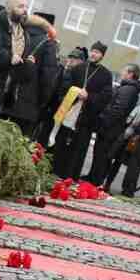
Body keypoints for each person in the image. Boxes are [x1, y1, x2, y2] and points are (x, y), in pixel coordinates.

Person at [0, 0, 55, 120]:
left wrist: (28, 65)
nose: (25, 10)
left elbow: (18, 66)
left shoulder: (22, 32)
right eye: (20, 7)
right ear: (9, 9)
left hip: (2, 93)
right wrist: (9, 57)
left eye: (26, 7)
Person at [52, 42, 113, 179]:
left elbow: (106, 96)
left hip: (87, 117)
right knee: (62, 142)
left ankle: (71, 176)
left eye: (97, 52)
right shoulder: (78, 68)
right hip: (70, 111)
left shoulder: (106, 75)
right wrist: (74, 94)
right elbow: (65, 85)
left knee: (79, 148)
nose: (93, 54)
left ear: (102, 55)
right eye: (93, 51)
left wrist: (89, 97)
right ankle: (55, 171)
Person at [2, 11, 59, 136]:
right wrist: (42, 102)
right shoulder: (48, 44)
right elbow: (48, 78)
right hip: (28, 106)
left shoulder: (17, 36)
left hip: (5, 97)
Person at [85, 64, 140, 186]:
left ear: (131, 74)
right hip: (111, 127)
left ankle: (95, 181)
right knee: (99, 154)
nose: (122, 73)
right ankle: (92, 177)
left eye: (124, 71)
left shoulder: (128, 89)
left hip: (110, 129)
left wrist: (105, 122)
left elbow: (118, 110)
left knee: (102, 155)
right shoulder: (128, 88)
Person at [103, 83, 140, 191]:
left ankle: (114, 186)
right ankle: (104, 182)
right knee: (110, 157)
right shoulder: (138, 103)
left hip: (135, 138)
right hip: (125, 134)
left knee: (120, 162)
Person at [36, 47, 86, 147]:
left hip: (64, 112)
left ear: (81, 62)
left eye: (75, 59)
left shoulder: (80, 77)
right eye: (70, 57)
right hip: (50, 109)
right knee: (42, 137)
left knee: (52, 141)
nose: (71, 60)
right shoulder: (61, 69)